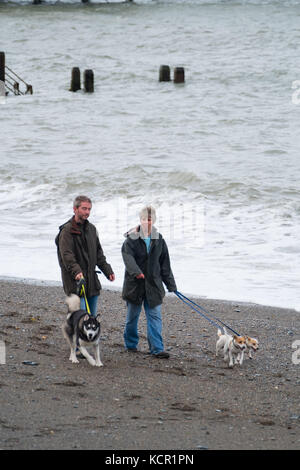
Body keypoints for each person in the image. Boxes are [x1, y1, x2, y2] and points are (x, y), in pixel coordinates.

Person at [121, 205, 177, 359]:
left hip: (154, 286)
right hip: (135, 285)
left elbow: (165, 264)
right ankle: (131, 344)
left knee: (155, 317)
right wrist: (136, 272)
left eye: (150, 219)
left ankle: (157, 349)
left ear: (154, 220)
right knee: (132, 317)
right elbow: (127, 258)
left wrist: (171, 285)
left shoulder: (159, 239)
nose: (147, 222)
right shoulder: (130, 239)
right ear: (140, 220)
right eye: (145, 219)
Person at [56, 195, 115, 317]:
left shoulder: (92, 229)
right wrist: (76, 271)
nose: (87, 212)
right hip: (74, 283)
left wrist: (107, 270)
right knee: (80, 319)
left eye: (89, 209)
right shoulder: (66, 231)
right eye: (84, 208)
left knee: (91, 319)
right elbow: (67, 255)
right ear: (75, 209)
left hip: (91, 282)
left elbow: (99, 254)